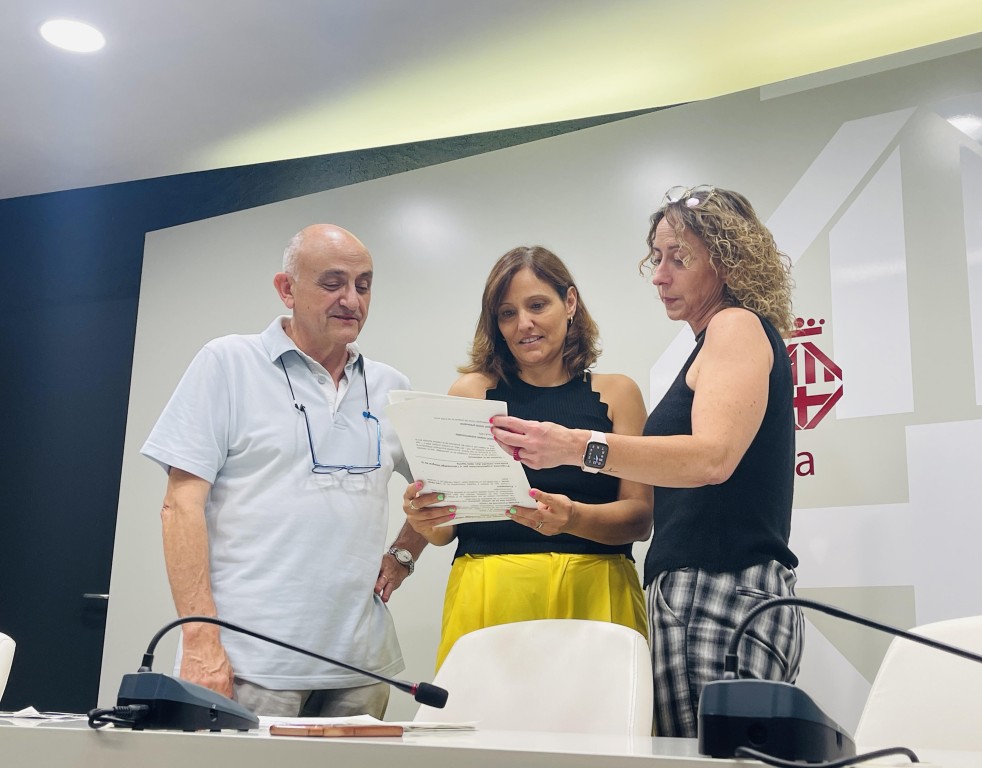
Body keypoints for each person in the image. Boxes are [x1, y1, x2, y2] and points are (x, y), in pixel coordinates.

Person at [490, 187, 804, 738]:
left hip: (718, 589)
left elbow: (712, 458)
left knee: (708, 756)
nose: (659, 276)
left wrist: (575, 447)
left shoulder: (734, 325)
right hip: (712, 591)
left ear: (727, 261)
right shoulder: (722, 336)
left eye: (679, 259)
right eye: (656, 258)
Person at [141, 224, 425, 718]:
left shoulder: (391, 386)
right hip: (248, 662)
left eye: (363, 285)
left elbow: (445, 490)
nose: (351, 300)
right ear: (286, 289)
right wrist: (200, 640)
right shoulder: (228, 363)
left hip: (362, 667)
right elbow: (179, 506)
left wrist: (403, 553)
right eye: (332, 283)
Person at [402, 246, 653, 668]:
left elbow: (640, 519)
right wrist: (424, 518)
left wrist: (573, 518)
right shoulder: (470, 393)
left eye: (537, 305)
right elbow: (445, 532)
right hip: (489, 594)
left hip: (596, 593)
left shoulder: (618, 394)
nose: (524, 324)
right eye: (507, 313)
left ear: (569, 302)